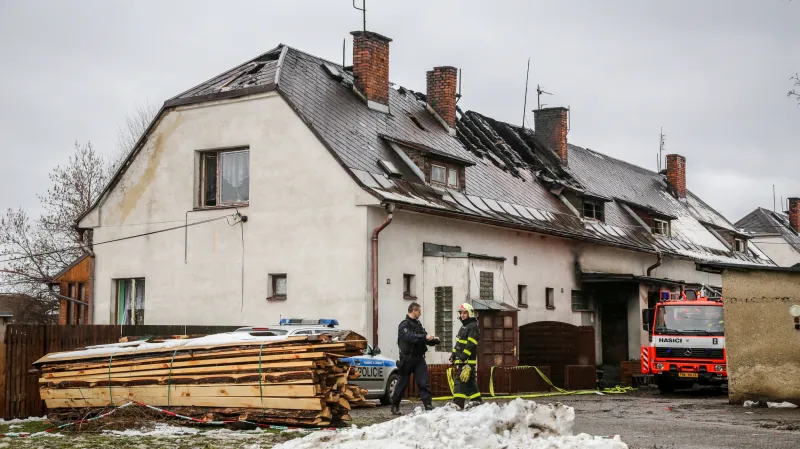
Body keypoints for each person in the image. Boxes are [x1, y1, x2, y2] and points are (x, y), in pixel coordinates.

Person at [391, 302, 439, 415]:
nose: (420, 314)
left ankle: (428, 405)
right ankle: (395, 405)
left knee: (424, 382)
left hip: (418, 359)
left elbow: (423, 337)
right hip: (407, 359)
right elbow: (409, 337)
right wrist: (424, 337)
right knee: (402, 383)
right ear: (414, 311)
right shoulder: (404, 325)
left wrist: (433, 340)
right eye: (419, 312)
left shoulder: (418, 324)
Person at [450, 303, 481, 409]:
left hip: (467, 363)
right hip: (462, 361)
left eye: (465, 313)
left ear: (470, 313)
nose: (462, 315)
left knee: (459, 382)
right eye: (461, 313)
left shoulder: (473, 326)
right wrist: (453, 355)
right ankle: (478, 403)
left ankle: (457, 405)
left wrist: (462, 358)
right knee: (470, 384)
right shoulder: (464, 326)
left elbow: (470, 345)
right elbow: (458, 344)